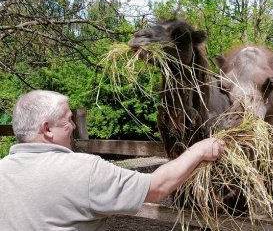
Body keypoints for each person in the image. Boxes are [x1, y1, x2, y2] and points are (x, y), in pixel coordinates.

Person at [0, 90, 225, 231]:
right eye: (68, 120)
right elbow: (156, 188)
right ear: (47, 129)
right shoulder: (83, 170)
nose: (75, 126)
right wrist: (199, 151)